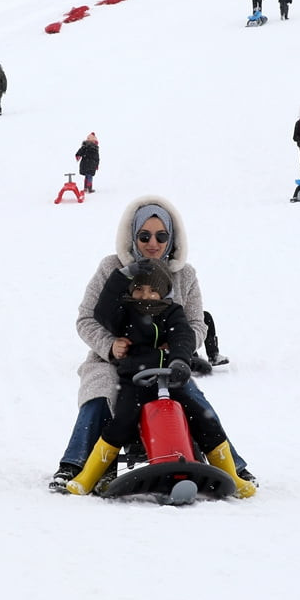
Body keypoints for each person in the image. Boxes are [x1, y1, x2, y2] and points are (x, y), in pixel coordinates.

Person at [49, 196, 256, 492]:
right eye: (144, 236)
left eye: (161, 236)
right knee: (101, 391)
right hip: (113, 361)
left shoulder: (184, 274)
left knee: (193, 399)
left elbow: (196, 324)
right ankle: (76, 464)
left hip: (164, 362)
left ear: (172, 239)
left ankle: (232, 466)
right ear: (132, 236)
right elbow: (87, 318)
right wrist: (110, 345)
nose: (153, 243)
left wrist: (177, 350)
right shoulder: (112, 268)